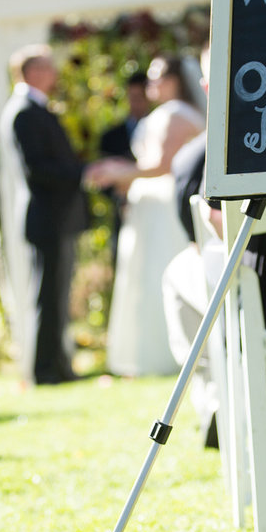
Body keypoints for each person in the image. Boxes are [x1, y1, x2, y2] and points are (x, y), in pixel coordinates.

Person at [100, 53, 206, 377]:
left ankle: (168, 354)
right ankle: (144, 355)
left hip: (162, 208)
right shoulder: (167, 113)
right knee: (143, 277)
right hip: (149, 206)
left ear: (175, 80)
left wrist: (119, 172)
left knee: (160, 271)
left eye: (157, 76)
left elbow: (162, 166)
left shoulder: (176, 115)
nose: (151, 84)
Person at [0, 44, 90, 385]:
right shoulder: (23, 112)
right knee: (47, 297)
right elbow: (36, 169)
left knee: (57, 297)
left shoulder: (35, 109)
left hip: (57, 218)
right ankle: (45, 370)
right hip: (46, 218)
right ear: (32, 72)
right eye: (48, 67)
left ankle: (59, 366)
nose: (54, 73)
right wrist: (82, 172)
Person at [97, 71, 149, 265]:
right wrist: (121, 196)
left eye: (141, 97)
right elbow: (103, 180)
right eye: (133, 97)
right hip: (124, 213)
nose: (137, 103)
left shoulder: (166, 128)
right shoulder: (110, 137)